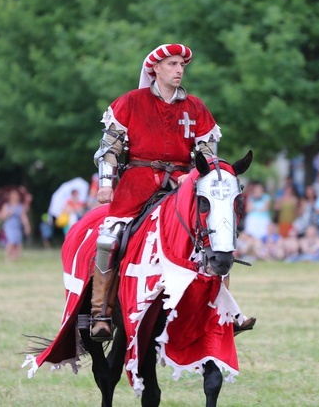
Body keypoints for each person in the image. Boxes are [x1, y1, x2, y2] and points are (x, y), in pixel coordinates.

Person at [89, 43, 253, 341]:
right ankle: (101, 313)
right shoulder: (130, 102)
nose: (179, 70)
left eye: (181, 65)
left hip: (182, 182)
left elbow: (207, 155)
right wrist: (105, 184)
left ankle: (225, 313)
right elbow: (108, 150)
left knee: (216, 237)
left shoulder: (195, 107)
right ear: (156, 69)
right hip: (136, 183)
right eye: (173, 64)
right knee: (109, 238)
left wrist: (199, 178)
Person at [0, 189, 31, 263]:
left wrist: (27, 226)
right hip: (9, 226)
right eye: (14, 195)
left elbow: (23, 217)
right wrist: (10, 213)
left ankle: (15, 259)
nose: (16, 197)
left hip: (17, 226)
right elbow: (2, 216)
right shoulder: (6, 206)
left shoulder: (20, 206)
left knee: (18, 243)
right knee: (11, 241)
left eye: (17, 195)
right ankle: (6, 258)